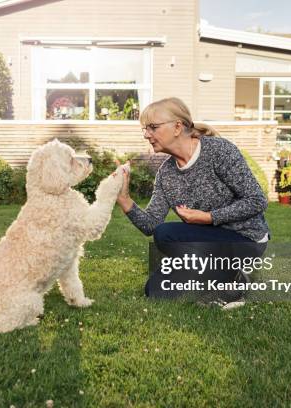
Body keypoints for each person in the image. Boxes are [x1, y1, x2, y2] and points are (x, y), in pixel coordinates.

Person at [116, 97, 271, 309]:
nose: (146, 135)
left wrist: (208, 218)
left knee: (166, 233)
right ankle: (228, 278)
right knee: (155, 291)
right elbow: (150, 224)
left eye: (152, 127)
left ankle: (236, 270)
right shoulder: (166, 174)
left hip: (245, 239)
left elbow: (257, 200)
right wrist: (124, 199)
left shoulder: (219, 151)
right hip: (208, 245)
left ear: (178, 126)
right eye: (145, 129)